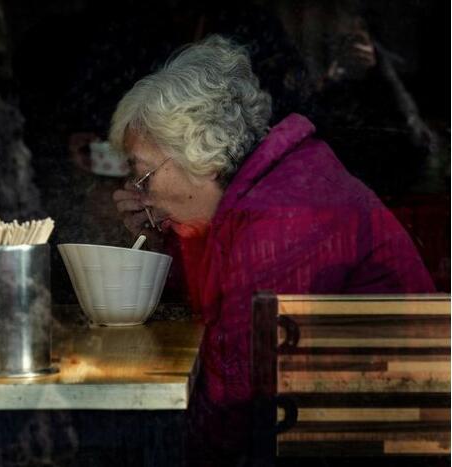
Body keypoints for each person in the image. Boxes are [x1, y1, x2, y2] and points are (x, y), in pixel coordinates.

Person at [109, 36, 434, 464]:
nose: (137, 195)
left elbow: (236, 408)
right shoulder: (264, 190)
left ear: (199, 154)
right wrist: (166, 238)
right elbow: (218, 313)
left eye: (143, 177)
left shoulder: (284, 216)